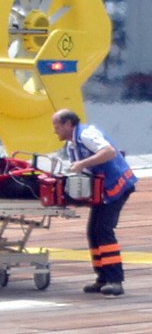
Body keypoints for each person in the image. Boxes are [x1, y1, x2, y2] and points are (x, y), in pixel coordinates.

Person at [52, 109, 137, 297]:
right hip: (104, 191)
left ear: (68, 124)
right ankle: (102, 278)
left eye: (57, 127)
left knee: (104, 231)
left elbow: (109, 152)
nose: (55, 131)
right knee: (93, 231)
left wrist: (82, 164)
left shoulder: (86, 135)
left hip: (117, 187)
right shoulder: (71, 146)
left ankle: (115, 281)